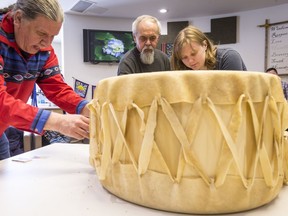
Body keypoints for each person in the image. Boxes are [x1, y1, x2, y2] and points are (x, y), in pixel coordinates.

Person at [0, 0, 90, 160]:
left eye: (53, 36)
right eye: (41, 34)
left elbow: (57, 87)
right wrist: (59, 122)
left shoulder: (45, 50)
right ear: (18, 18)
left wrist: (85, 108)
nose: (47, 43)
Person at [170, 25, 247, 71]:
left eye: (193, 54)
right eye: (184, 57)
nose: (190, 61)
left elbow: (232, 95)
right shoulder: (184, 69)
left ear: (205, 45)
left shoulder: (229, 57)